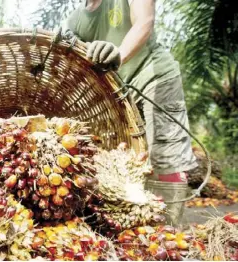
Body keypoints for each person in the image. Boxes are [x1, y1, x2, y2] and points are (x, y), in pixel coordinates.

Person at [61, 0, 198, 222]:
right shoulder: (76, 19)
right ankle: (142, 227)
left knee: (164, 158)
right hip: (120, 95)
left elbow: (144, 21)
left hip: (154, 78)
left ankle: (169, 234)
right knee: (127, 163)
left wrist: (119, 54)